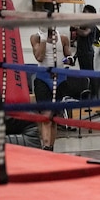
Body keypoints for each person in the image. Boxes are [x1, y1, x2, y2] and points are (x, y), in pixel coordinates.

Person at [30, 21, 74, 151]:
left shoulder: (63, 38)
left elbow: (70, 58)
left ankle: (50, 147)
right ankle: (46, 147)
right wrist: (44, 38)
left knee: (53, 117)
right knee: (46, 116)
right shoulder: (36, 38)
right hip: (43, 78)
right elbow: (39, 56)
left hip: (60, 79)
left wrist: (69, 59)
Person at [71, 4, 100, 99]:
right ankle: (86, 94)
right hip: (81, 52)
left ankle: (94, 95)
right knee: (84, 74)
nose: (83, 13)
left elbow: (85, 33)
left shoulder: (90, 23)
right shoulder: (84, 23)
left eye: (85, 12)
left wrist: (76, 29)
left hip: (87, 53)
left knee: (90, 73)